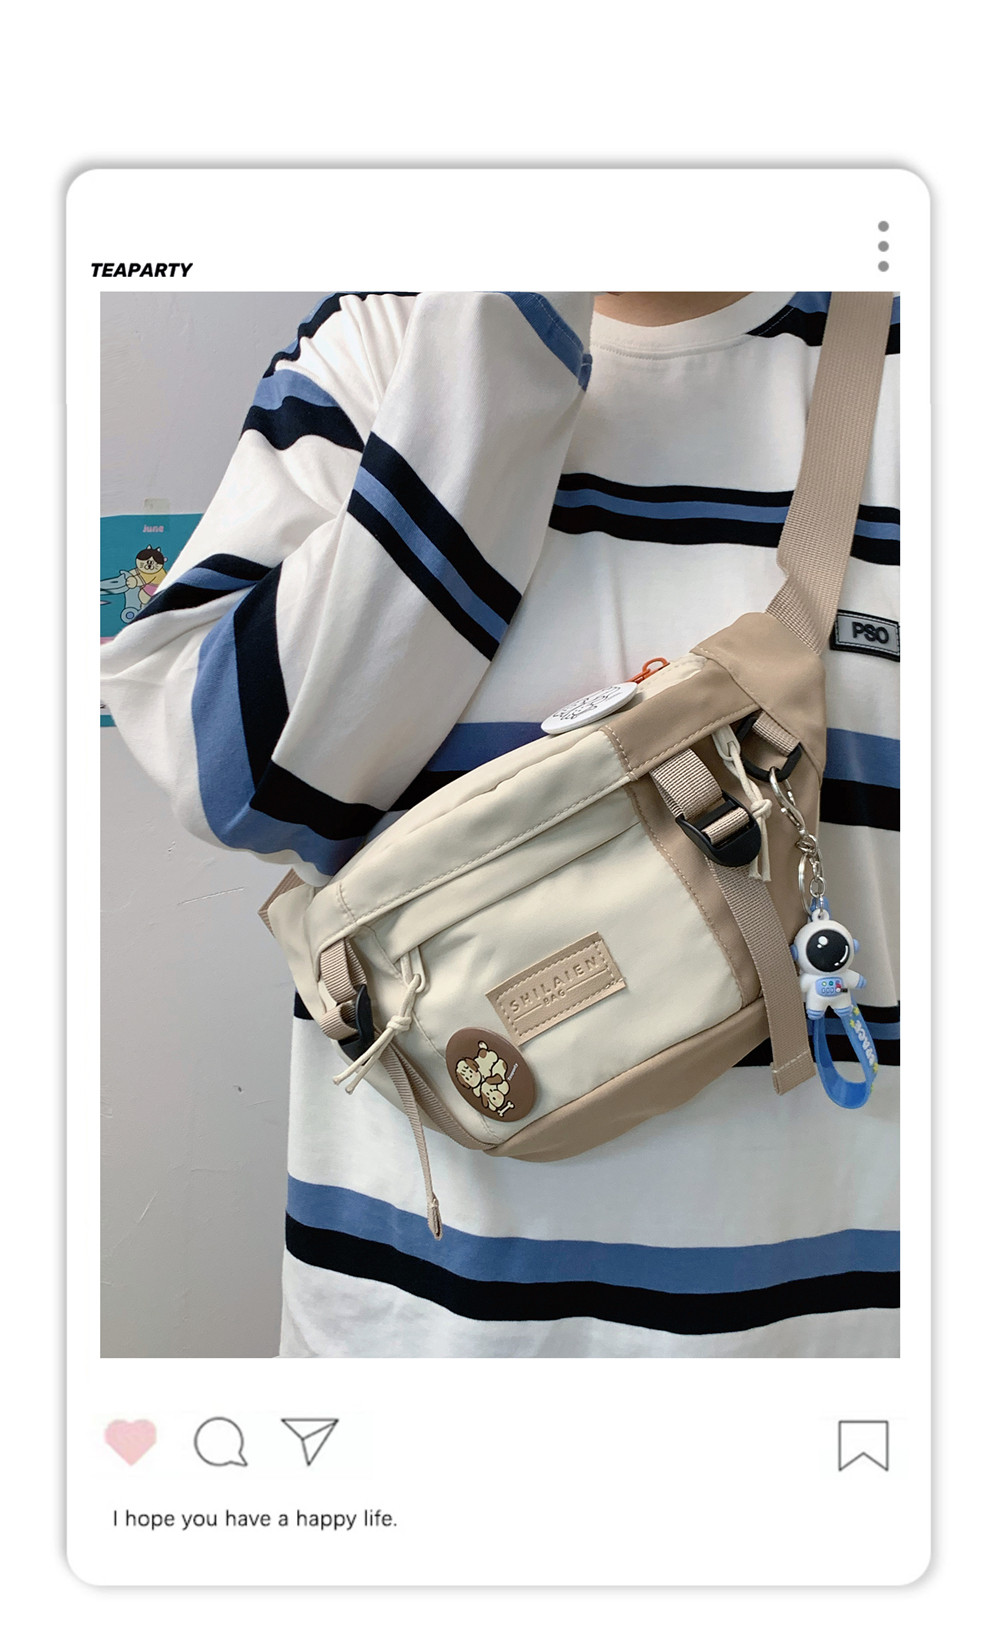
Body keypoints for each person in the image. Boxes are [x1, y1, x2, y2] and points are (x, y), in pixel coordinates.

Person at [100, 289, 900, 1358]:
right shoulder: (383, 341)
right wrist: (500, 327)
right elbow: (240, 784)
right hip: (421, 1341)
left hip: (836, 1348)